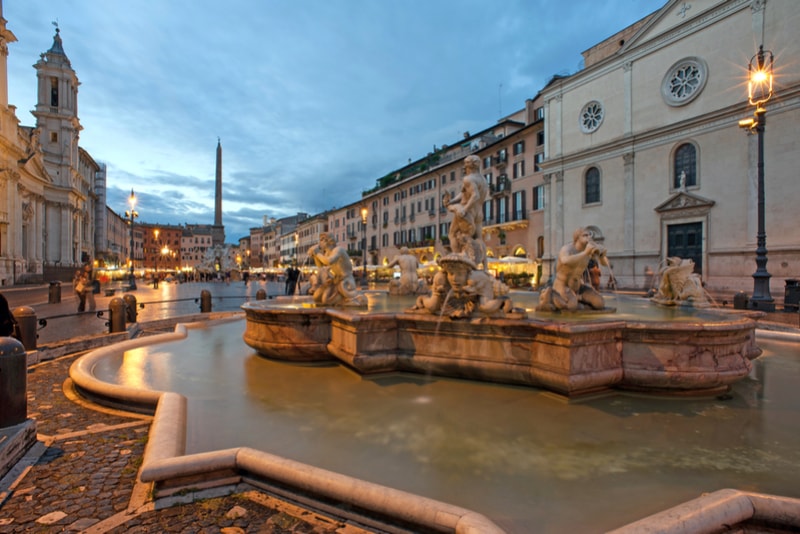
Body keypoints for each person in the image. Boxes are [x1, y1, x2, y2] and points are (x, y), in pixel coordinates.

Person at [537, 227, 608, 311]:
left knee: (600, 303)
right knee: (571, 307)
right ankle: (551, 294)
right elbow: (565, 260)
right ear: (577, 238)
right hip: (562, 285)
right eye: (585, 235)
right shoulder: (567, 249)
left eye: (589, 235)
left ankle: (578, 299)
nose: (588, 237)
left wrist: (602, 256)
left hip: (578, 286)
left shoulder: (589, 251)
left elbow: (605, 264)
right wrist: (585, 253)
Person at [443, 155, 489, 266]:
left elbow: (475, 195)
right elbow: (464, 193)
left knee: (452, 234)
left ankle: (456, 260)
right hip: (479, 212)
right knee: (479, 238)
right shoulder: (483, 179)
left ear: (468, 166)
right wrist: (452, 201)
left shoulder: (468, 179)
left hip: (468, 211)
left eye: (465, 165)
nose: (464, 168)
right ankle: (485, 268)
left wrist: (464, 209)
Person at [308, 233, 364, 306]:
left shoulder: (338, 250)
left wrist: (318, 253)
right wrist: (315, 255)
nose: (319, 243)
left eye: (321, 240)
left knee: (326, 300)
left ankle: (347, 300)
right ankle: (341, 300)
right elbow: (321, 267)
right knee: (317, 297)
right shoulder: (327, 253)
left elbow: (329, 261)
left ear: (328, 241)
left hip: (345, 282)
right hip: (335, 281)